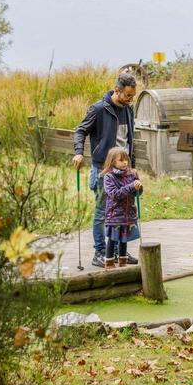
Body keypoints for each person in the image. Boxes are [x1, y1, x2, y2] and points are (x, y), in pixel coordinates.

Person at [73, 73, 138, 268]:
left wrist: (132, 166)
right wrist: (78, 152)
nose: (130, 99)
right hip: (103, 170)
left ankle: (118, 251)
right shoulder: (99, 109)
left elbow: (129, 139)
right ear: (117, 90)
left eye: (133, 95)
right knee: (104, 212)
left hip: (124, 171)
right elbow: (80, 131)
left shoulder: (128, 109)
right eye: (128, 95)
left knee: (122, 209)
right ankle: (100, 252)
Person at [101, 147, 143, 269]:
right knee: (113, 239)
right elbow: (115, 194)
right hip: (114, 215)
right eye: (121, 160)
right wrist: (131, 187)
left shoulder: (132, 174)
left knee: (124, 239)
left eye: (126, 160)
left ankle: (123, 262)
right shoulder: (109, 176)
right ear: (113, 161)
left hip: (127, 214)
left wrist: (138, 187)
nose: (125, 162)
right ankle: (109, 263)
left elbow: (137, 193)